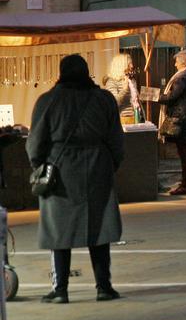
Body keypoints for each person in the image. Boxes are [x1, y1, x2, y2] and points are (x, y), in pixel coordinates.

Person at [27, 54, 124, 304]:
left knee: (59, 230)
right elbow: (116, 138)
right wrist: (110, 164)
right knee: (99, 227)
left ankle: (60, 290)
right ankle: (104, 286)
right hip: (97, 166)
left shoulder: (48, 100)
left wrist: (39, 166)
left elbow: (35, 143)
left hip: (61, 168)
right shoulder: (103, 99)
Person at [160, 49, 186, 196]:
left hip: (184, 118)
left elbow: (172, 97)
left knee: (185, 152)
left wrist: (153, 96)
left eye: (177, 61)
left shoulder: (183, 77)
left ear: (183, 62)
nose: (175, 64)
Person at [103, 53, 141, 123]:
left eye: (131, 63)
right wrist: (125, 89)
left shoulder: (131, 80)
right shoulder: (111, 81)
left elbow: (136, 101)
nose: (132, 66)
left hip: (135, 119)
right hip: (120, 122)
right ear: (121, 66)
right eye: (129, 64)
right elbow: (113, 103)